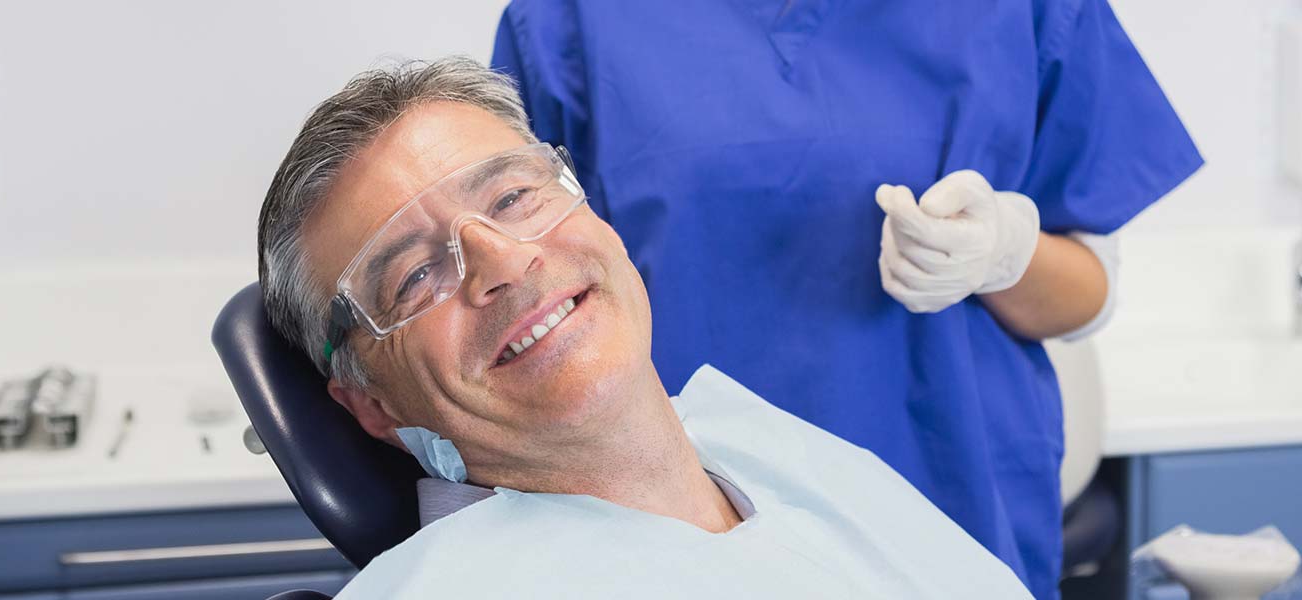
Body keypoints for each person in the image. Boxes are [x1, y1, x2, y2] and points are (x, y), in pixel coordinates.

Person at [255, 58, 1036, 599]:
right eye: (415, 276)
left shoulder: (770, 452)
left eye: (513, 197)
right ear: (373, 406)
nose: (505, 261)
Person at [492, 2, 1203, 595]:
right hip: (687, 530)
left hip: (951, 508)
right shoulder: (574, 21)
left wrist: (1004, 253)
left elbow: (1089, 294)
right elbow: (521, 294)